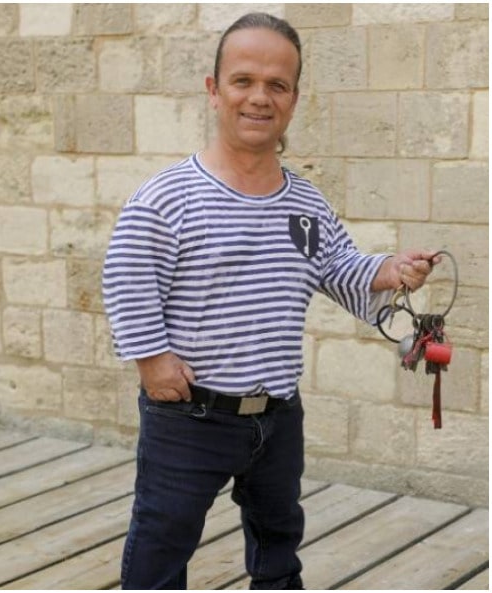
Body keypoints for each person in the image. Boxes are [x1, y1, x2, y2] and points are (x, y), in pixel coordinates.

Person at [102, 13, 440, 590]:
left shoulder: (305, 201)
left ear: (294, 98)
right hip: (190, 416)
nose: (260, 97)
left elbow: (338, 269)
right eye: (243, 81)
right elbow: (128, 278)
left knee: (279, 539)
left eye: (277, 85)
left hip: (279, 414)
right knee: (164, 540)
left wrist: (390, 271)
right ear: (214, 90)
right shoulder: (166, 197)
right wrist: (151, 361)